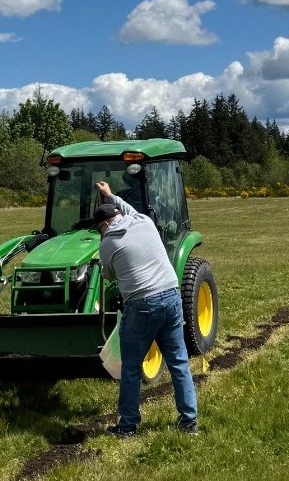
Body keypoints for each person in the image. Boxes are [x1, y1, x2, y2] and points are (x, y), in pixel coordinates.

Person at [93, 180, 198, 437]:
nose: (101, 234)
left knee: (130, 368)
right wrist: (110, 195)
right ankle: (189, 422)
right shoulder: (143, 221)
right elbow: (127, 208)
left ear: (105, 225)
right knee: (178, 363)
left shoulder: (107, 244)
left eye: (99, 230)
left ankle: (128, 425)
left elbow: (108, 276)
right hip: (172, 297)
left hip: (141, 306)